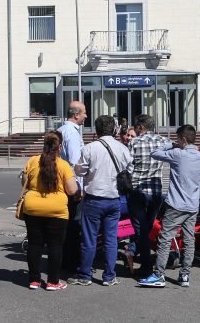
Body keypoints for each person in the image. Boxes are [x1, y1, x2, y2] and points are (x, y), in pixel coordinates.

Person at [138, 125, 200, 288]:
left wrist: (171, 145)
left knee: (165, 239)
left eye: (177, 139)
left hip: (175, 204)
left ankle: (158, 275)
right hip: (192, 205)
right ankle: (184, 275)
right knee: (189, 239)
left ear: (183, 139)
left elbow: (154, 153)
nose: (176, 141)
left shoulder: (177, 154)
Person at [68, 115, 132, 287]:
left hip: (94, 198)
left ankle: (85, 275)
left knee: (89, 239)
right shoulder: (122, 148)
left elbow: (79, 171)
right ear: (114, 129)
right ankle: (109, 276)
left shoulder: (90, 148)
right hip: (114, 198)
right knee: (111, 239)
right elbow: (130, 169)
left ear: (96, 130)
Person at [21, 131, 78, 291]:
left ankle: (34, 280)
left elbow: (24, 183)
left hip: (32, 208)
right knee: (55, 246)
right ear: (59, 147)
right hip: (57, 210)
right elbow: (72, 190)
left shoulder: (32, 161)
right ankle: (53, 281)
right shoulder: (63, 165)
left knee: (34, 244)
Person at [124, 114, 169, 275]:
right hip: (156, 191)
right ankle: (138, 255)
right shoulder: (163, 141)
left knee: (140, 230)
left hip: (137, 190)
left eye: (136, 127)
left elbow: (128, 167)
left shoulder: (134, 143)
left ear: (141, 128)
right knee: (147, 228)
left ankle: (145, 264)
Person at [56, 101, 86, 270]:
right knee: (74, 225)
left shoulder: (61, 130)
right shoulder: (72, 134)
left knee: (65, 225)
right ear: (76, 115)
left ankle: (65, 259)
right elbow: (76, 164)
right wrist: (79, 189)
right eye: (84, 113)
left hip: (61, 184)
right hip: (71, 187)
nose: (86, 116)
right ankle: (71, 262)